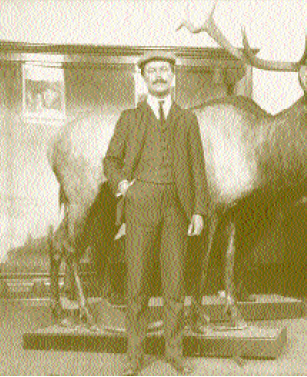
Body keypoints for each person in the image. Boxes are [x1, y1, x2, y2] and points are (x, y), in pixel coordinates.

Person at [103, 50, 210, 375]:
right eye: (153, 71)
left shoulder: (187, 119)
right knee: (136, 285)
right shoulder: (129, 118)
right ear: (144, 77)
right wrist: (123, 187)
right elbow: (110, 161)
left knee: (174, 283)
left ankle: (174, 353)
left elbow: (197, 168)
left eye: (165, 70)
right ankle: (134, 356)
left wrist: (199, 211)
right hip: (140, 204)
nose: (159, 75)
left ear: (173, 77)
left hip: (177, 209)